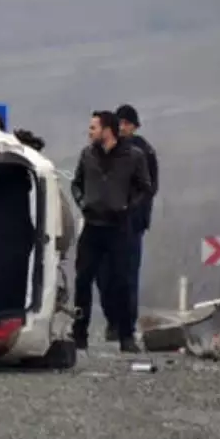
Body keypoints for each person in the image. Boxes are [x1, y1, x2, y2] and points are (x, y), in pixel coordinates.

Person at [70, 110, 152, 354]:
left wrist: (128, 207)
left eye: (93, 127)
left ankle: (126, 335)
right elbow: (76, 183)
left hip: (119, 228)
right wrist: (83, 202)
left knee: (122, 281)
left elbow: (144, 188)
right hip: (92, 226)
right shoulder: (87, 154)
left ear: (107, 130)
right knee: (83, 280)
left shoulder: (134, 156)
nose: (89, 131)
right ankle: (79, 333)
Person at [115, 103, 158, 338]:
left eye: (126, 124)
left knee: (128, 274)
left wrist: (132, 210)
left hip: (132, 222)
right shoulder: (105, 150)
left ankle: (127, 325)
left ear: (134, 126)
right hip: (106, 221)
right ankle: (114, 321)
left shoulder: (144, 152)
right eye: (119, 123)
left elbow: (150, 188)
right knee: (107, 274)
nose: (122, 128)